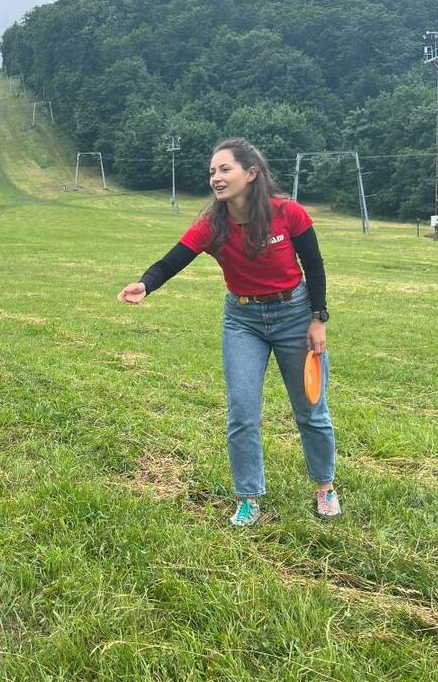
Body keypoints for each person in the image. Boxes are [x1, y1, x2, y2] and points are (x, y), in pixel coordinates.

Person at [117, 137, 340, 527]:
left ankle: (325, 486)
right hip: (243, 320)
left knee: (311, 410)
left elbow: (315, 265)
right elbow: (175, 259)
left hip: (294, 316)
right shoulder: (212, 225)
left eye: (225, 169)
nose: (216, 178)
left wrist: (317, 319)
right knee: (242, 412)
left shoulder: (288, 213)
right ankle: (249, 497)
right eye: (212, 172)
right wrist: (146, 284)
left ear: (251, 174)